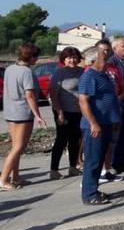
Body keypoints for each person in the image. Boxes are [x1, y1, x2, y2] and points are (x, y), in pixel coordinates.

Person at [77, 42, 119, 204]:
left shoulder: (103, 74)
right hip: (95, 126)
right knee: (93, 161)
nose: (106, 57)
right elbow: (83, 102)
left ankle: (93, 189)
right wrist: (93, 123)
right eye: (102, 55)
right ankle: (89, 194)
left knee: (99, 159)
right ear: (93, 60)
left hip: (107, 123)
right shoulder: (89, 76)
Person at [1, 43, 47, 190]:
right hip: (22, 112)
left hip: (10, 111)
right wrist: (38, 115)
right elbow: (30, 95)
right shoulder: (27, 72)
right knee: (19, 147)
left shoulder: (10, 69)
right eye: (36, 57)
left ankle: (15, 177)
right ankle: (3, 179)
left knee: (16, 146)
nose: (37, 60)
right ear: (31, 57)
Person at [48, 47, 84, 180]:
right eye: (69, 57)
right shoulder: (59, 73)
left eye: (74, 57)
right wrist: (60, 113)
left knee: (75, 140)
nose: (72, 60)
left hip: (78, 111)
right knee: (61, 140)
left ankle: (73, 167)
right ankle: (54, 170)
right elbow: (53, 94)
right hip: (63, 110)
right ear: (64, 59)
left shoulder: (82, 71)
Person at [108, 37, 124, 174]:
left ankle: (120, 162)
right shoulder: (112, 63)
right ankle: (115, 164)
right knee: (117, 137)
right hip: (119, 103)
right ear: (115, 48)